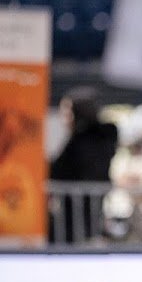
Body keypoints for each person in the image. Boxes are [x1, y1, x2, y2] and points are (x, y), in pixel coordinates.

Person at [49, 86, 118, 242]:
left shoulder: (82, 141)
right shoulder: (103, 137)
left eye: (66, 112)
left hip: (75, 214)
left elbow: (58, 170)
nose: (63, 117)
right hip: (89, 212)